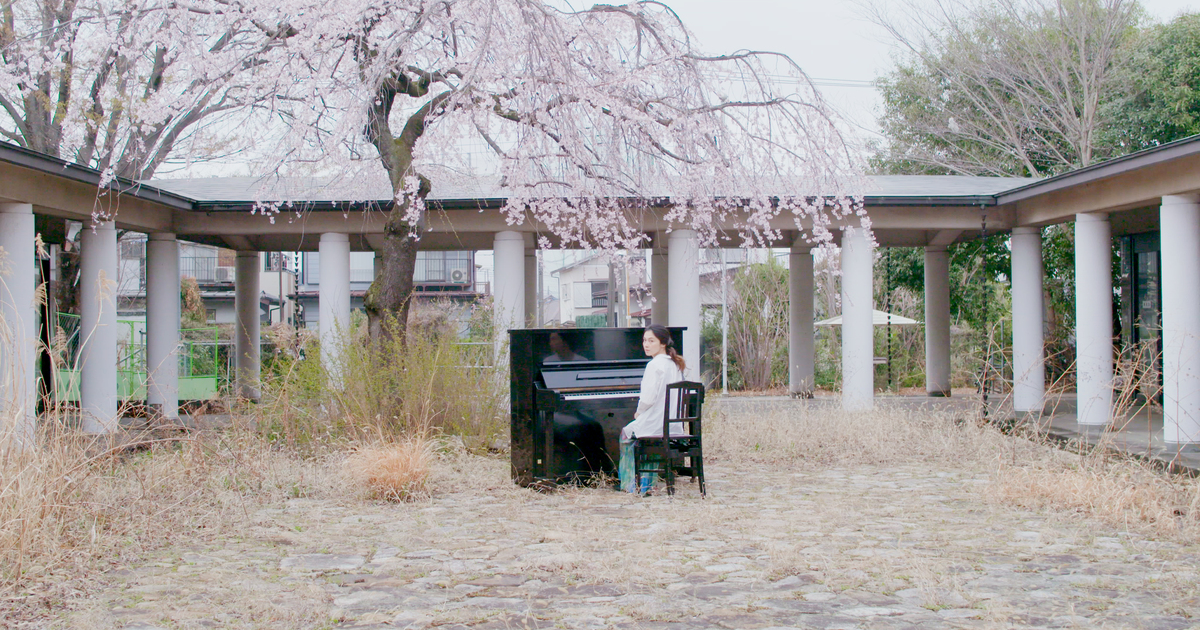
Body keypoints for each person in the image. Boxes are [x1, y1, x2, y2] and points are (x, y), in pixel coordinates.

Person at [618, 324, 686, 494]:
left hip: (657, 422)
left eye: (651, 341)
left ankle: (630, 485)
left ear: (662, 343)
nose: (646, 345)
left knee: (626, 434)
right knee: (649, 438)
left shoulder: (654, 365)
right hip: (673, 425)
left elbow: (647, 398)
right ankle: (649, 483)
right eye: (644, 341)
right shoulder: (675, 364)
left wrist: (639, 412)